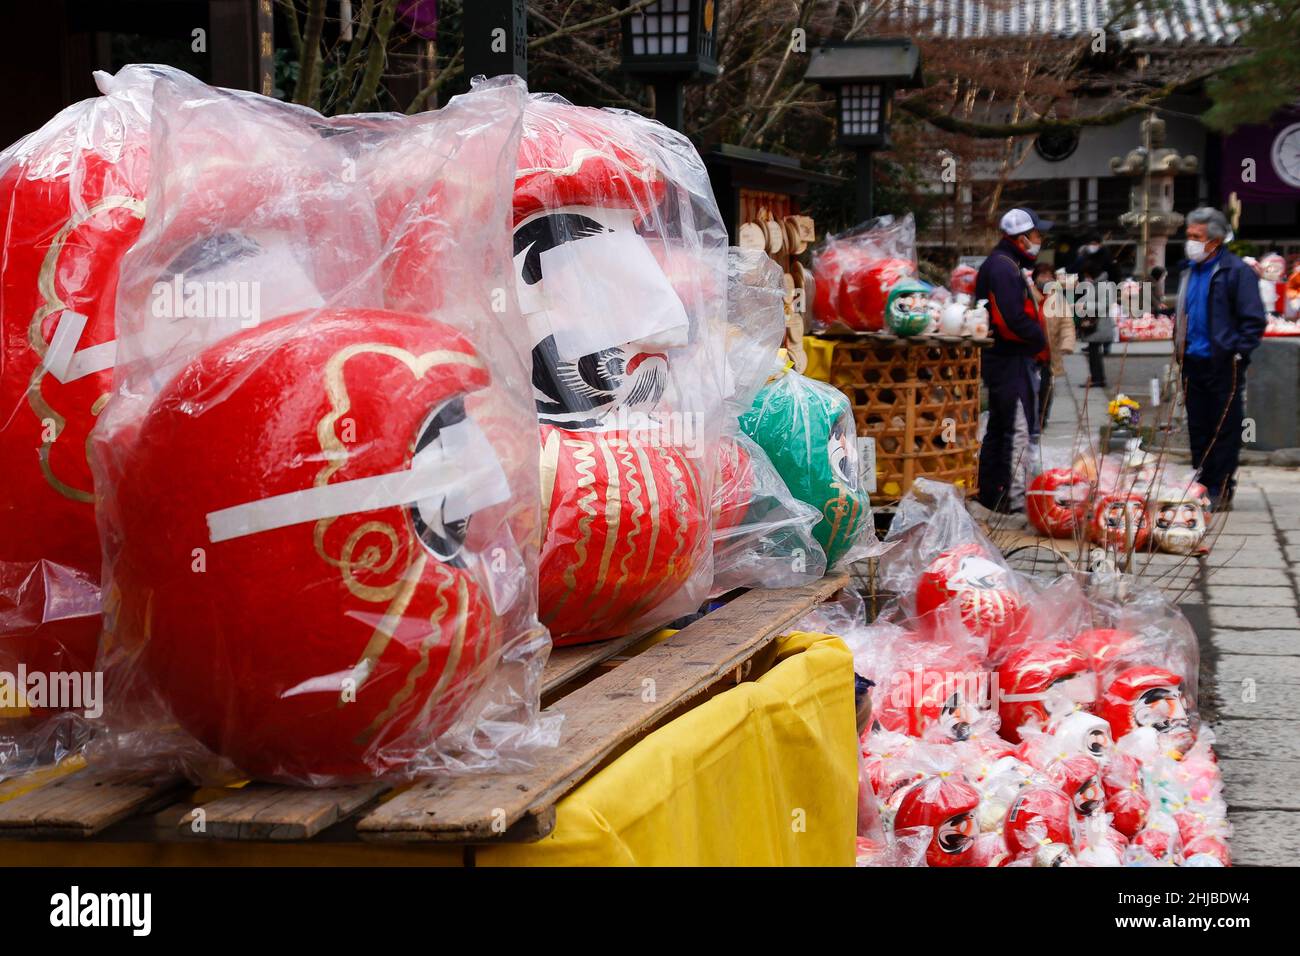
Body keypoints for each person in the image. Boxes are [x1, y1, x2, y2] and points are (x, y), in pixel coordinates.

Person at [1175, 207, 1266, 508]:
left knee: (1224, 427)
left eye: (1196, 237)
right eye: (1188, 236)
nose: (1190, 242)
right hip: (1192, 360)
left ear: (1214, 240)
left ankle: (1221, 487)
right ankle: (1201, 483)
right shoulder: (1189, 269)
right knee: (1198, 426)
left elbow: (1253, 320)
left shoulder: (1236, 271)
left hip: (1224, 362)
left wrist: (1238, 352)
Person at [975, 208, 1050, 513]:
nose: (1039, 240)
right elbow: (1010, 320)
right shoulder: (1003, 268)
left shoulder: (1007, 264)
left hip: (1006, 360)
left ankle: (992, 494)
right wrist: (1040, 339)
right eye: (1036, 234)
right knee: (1016, 428)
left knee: (1000, 426)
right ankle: (1012, 499)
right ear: (1021, 239)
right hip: (1008, 360)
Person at [1031, 261, 1075, 425]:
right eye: (1043, 276)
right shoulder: (1027, 296)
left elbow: (1066, 323)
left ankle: (1041, 418)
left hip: (1048, 353)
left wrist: (1067, 344)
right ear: (1035, 278)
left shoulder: (1057, 300)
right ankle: (1031, 418)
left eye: (1049, 276)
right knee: (1029, 388)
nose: (1046, 279)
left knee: (1045, 388)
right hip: (1029, 353)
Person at [1074, 259, 1113, 389]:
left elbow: (1104, 305)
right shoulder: (1096, 284)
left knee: (1094, 352)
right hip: (1095, 323)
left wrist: (1085, 305)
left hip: (1099, 324)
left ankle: (1098, 379)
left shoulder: (1104, 285)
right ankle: (1098, 378)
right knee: (1093, 352)